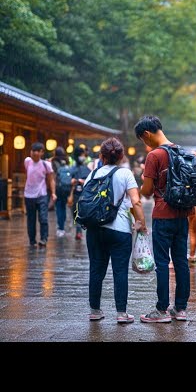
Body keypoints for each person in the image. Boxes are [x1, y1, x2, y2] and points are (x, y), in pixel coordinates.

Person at [83, 138, 147, 324]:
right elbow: (136, 201)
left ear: (101, 156)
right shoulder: (125, 173)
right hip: (120, 229)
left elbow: (84, 199)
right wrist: (141, 222)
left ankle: (95, 310)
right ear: (121, 156)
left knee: (96, 268)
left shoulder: (93, 174)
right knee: (120, 271)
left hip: (95, 228)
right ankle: (121, 313)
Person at [136, 115, 191, 323]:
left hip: (163, 214)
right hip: (182, 214)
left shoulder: (154, 156)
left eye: (143, 140)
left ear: (146, 134)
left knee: (162, 262)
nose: (145, 143)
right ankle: (181, 309)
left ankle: (161, 310)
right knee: (181, 261)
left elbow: (148, 192)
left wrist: (143, 183)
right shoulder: (181, 151)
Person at [24, 142, 56, 247]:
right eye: (33, 151)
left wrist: (53, 193)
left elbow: (51, 180)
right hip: (28, 194)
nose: (34, 153)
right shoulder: (27, 161)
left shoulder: (46, 164)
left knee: (43, 218)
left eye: (37, 151)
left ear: (42, 152)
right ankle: (32, 241)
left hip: (42, 194)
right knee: (31, 219)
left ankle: (43, 239)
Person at [67, 147, 92, 241]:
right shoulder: (72, 169)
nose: (83, 157)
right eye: (81, 155)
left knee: (80, 212)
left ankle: (79, 231)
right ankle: (78, 230)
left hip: (84, 194)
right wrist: (71, 181)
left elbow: (91, 181)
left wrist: (84, 181)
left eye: (83, 155)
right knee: (75, 213)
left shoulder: (86, 168)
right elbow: (67, 181)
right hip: (74, 194)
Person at [51, 146, 72, 238]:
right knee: (63, 206)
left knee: (59, 207)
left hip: (58, 188)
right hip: (67, 187)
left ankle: (61, 228)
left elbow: (53, 176)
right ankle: (63, 227)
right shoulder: (67, 161)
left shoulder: (53, 162)